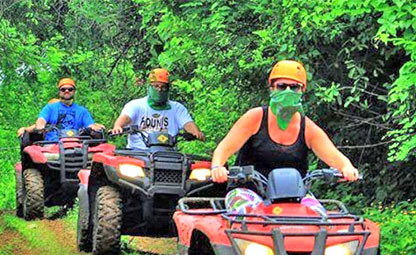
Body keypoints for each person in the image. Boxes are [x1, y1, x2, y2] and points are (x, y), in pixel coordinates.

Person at [211, 60, 359, 183]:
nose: (287, 91)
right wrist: (217, 167)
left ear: (302, 90)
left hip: (294, 196)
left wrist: (347, 167)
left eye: (294, 87)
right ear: (271, 88)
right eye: (281, 86)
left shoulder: (308, 129)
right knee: (245, 212)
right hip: (249, 191)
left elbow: (334, 156)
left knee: (317, 213)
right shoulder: (255, 118)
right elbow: (224, 149)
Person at [111, 68, 205, 149]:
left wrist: (195, 132)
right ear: (149, 87)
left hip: (168, 154)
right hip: (138, 152)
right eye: (156, 86)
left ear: (168, 89)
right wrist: (118, 126)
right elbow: (126, 117)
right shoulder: (136, 105)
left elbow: (187, 123)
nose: (159, 90)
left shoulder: (176, 108)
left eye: (163, 87)